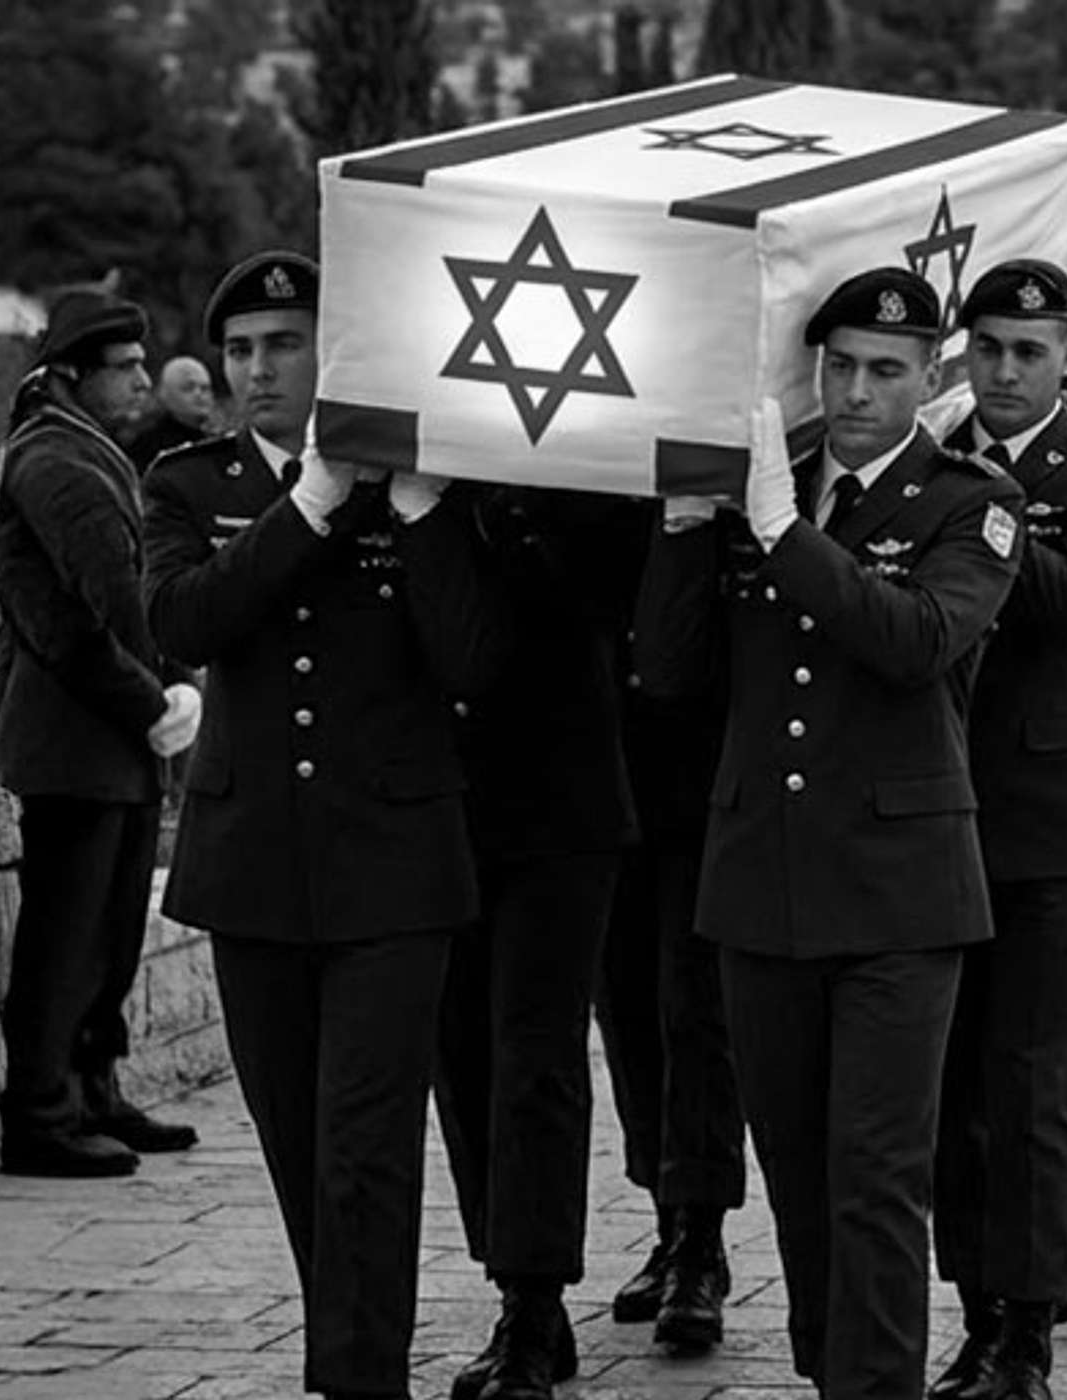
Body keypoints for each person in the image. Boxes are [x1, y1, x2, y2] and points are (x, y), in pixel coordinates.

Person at [633, 266, 1025, 1400]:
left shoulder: (969, 503)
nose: (855, 391)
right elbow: (668, 670)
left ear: (928, 376)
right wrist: (683, 527)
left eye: (884, 370)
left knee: (877, 1174)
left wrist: (779, 531)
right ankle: (834, 1372)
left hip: (901, 894)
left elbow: (913, 639)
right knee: (798, 1170)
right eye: (839, 366)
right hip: (764, 882)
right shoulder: (767, 488)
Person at [141, 251, 501, 1400]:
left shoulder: (419, 479)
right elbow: (185, 618)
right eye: (239, 349)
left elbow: (473, 658)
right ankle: (348, 1349)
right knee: (298, 1141)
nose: (257, 368)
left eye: (283, 344)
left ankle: (359, 1376)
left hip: (393, 861)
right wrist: (305, 503)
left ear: (331, 352)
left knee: (366, 1138)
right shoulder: (187, 484)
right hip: (252, 856)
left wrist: (417, 508)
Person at [931, 259, 1067, 1400]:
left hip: (1050, 826)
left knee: (1033, 1084)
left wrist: (980, 506)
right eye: (987, 349)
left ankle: (1025, 1332)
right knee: (950, 1090)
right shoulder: (926, 464)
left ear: (1063, 357)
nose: (1005, 372)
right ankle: (975, 1315)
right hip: (932, 809)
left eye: (1029, 351)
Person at [0, 289, 202, 1178]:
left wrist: (161, 694)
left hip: (110, 737)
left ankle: (93, 1089)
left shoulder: (83, 447)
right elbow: (89, 612)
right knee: (64, 937)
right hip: (74, 738)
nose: (143, 379)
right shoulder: (54, 458)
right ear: (72, 374)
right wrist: (154, 699)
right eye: (126, 367)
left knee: (109, 933)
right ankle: (40, 1112)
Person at [434, 482, 638, 1400]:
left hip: (561, 795)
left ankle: (533, 1299)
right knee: (462, 1057)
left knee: (536, 1058)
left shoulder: (585, 468)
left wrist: (508, 508)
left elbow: (605, 594)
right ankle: (511, 1277)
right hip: (437, 796)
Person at [595, 563, 743, 1357]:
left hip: (700, 746)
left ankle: (700, 1240)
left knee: (696, 1006)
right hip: (602, 749)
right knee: (625, 1003)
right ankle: (665, 1215)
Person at [129, 355, 220, 473]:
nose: (199, 394)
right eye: (188, 388)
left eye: (205, 388)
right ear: (165, 394)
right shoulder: (148, 447)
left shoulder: (217, 443)